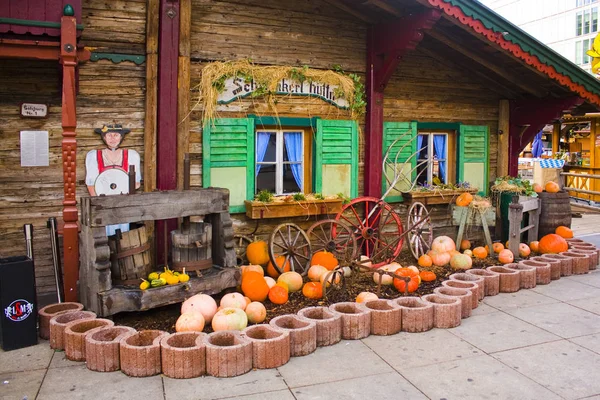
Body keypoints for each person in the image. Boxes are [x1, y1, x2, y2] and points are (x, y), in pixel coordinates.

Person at [85, 124, 141, 235]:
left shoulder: (131, 155)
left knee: (123, 232)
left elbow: (136, 183)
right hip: (104, 203)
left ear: (121, 137)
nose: (112, 138)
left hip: (123, 203)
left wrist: (123, 197)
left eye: (116, 135)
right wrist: (99, 203)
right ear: (104, 137)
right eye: (109, 135)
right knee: (106, 232)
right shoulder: (94, 156)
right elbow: (91, 184)